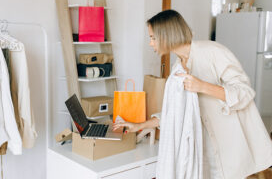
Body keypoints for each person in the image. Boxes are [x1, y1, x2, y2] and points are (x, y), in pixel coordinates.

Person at [113, 10, 272, 179]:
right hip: (205, 144)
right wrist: (140, 126)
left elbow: (244, 92)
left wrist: (202, 86)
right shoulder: (178, 67)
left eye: (153, 37)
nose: (150, 43)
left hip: (230, 140)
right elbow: (174, 113)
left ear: (166, 35)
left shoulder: (212, 51)